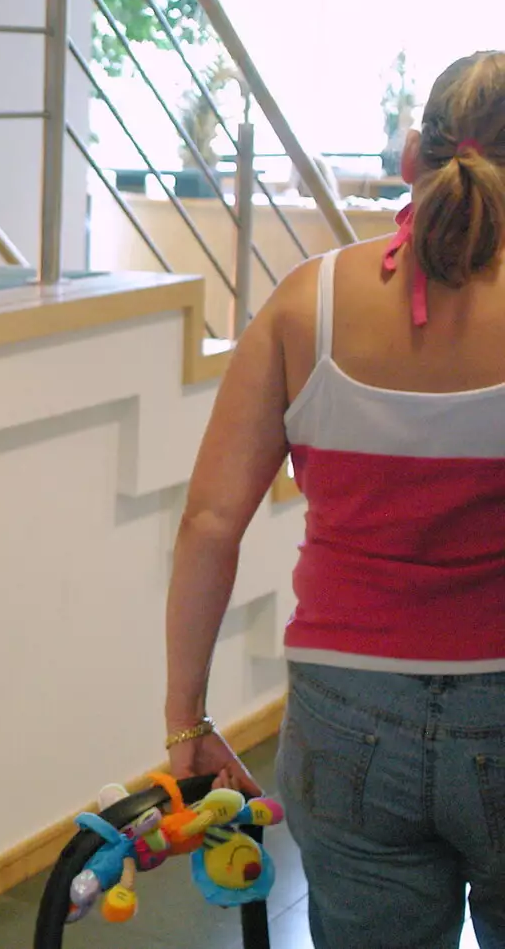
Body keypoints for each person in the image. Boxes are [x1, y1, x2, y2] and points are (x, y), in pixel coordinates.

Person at [164, 49, 505, 949]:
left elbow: (208, 523)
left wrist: (186, 721)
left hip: (347, 722)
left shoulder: (304, 303)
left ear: (409, 159)